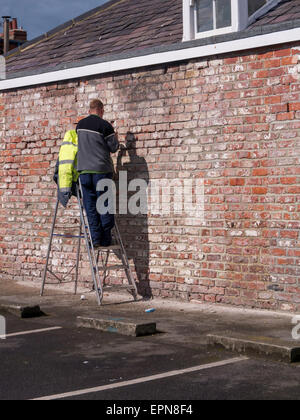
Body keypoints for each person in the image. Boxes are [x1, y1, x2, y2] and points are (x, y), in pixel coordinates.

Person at [76, 99, 119, 248]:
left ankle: (95, 239)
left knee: (90, 206)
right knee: (105, 204)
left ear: (90, 110)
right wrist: (117, 139)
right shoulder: (105, 126)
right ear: (101, 110)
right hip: (101, 171)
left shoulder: (80, 126)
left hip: (84, 173)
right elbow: (113, 148)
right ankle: (106, 239)